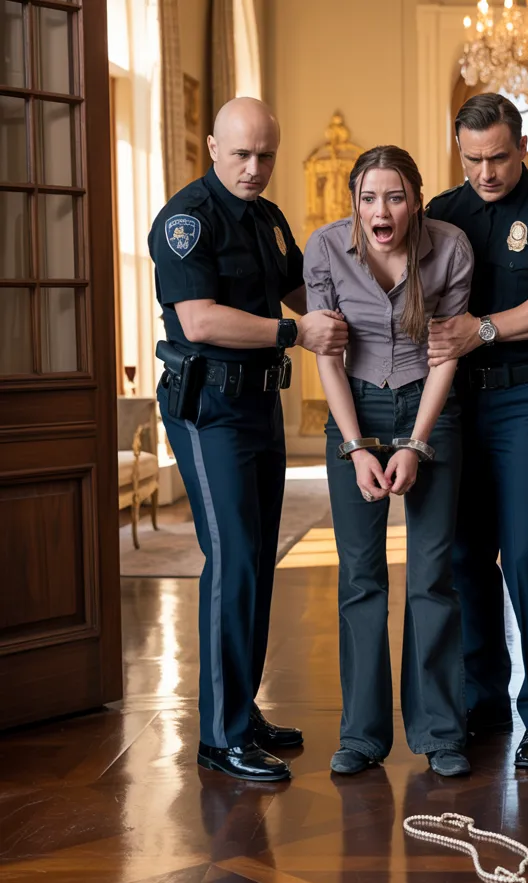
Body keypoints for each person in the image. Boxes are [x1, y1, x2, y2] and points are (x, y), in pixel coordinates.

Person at [149, 98, 348, 782]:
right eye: (241, 154)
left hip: (260, 403)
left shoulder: (268, 218)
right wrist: (297, 333)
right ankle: (221, 737)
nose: (254, 168)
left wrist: (355, 315)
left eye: (266, 155)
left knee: (259, 561)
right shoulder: (186, 221)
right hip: (209, 410)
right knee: (233, 559)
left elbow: (300, 292)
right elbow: (199, 321)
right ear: (213, 148)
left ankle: (241, 710)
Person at [424, 93, 528, 769]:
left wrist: (485, 329)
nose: (486, 172)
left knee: (524, 552)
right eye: (473, 159)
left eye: (498, 157)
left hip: (526, 397)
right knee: (465, 556)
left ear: (522, 147)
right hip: (455, 402)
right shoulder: (442, 212)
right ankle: (484, 699)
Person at [305, 146, 475, 778]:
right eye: (369, 198)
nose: (382, 210)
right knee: (360, 577)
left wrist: (417, 443)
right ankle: (362, 735)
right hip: (355, 410)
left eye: (395, 197)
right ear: (354, 202)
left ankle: (441, 734)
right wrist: (355, 448)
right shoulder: (325, 248)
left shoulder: (450, 247)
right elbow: (327, 355)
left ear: (416, 201)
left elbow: (447, 353)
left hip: (429, 408)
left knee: (432, 575)